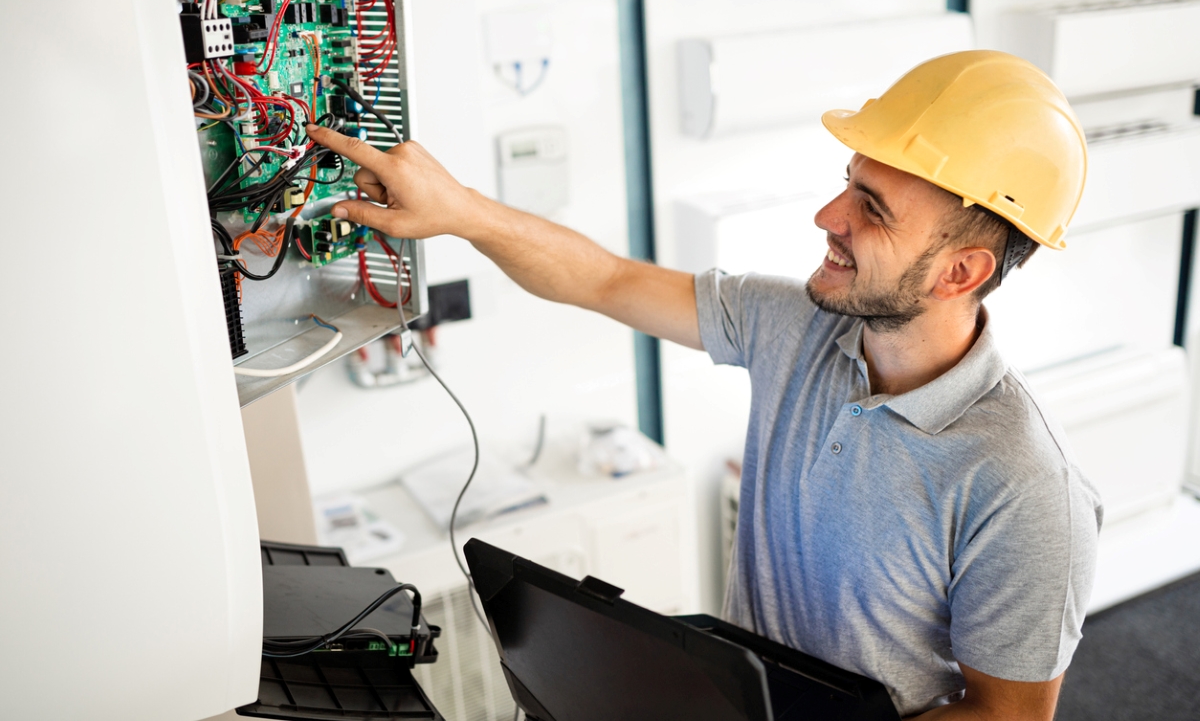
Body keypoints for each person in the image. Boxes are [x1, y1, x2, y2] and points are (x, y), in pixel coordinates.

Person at [304, 50, 1103, 720]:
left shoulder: (1025, 486)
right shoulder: (795, 323)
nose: (828, 215)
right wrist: (461, 212)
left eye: (873, 208)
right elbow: (607, 280)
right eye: (846, 181)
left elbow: (1007, 718)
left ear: (962, 271)